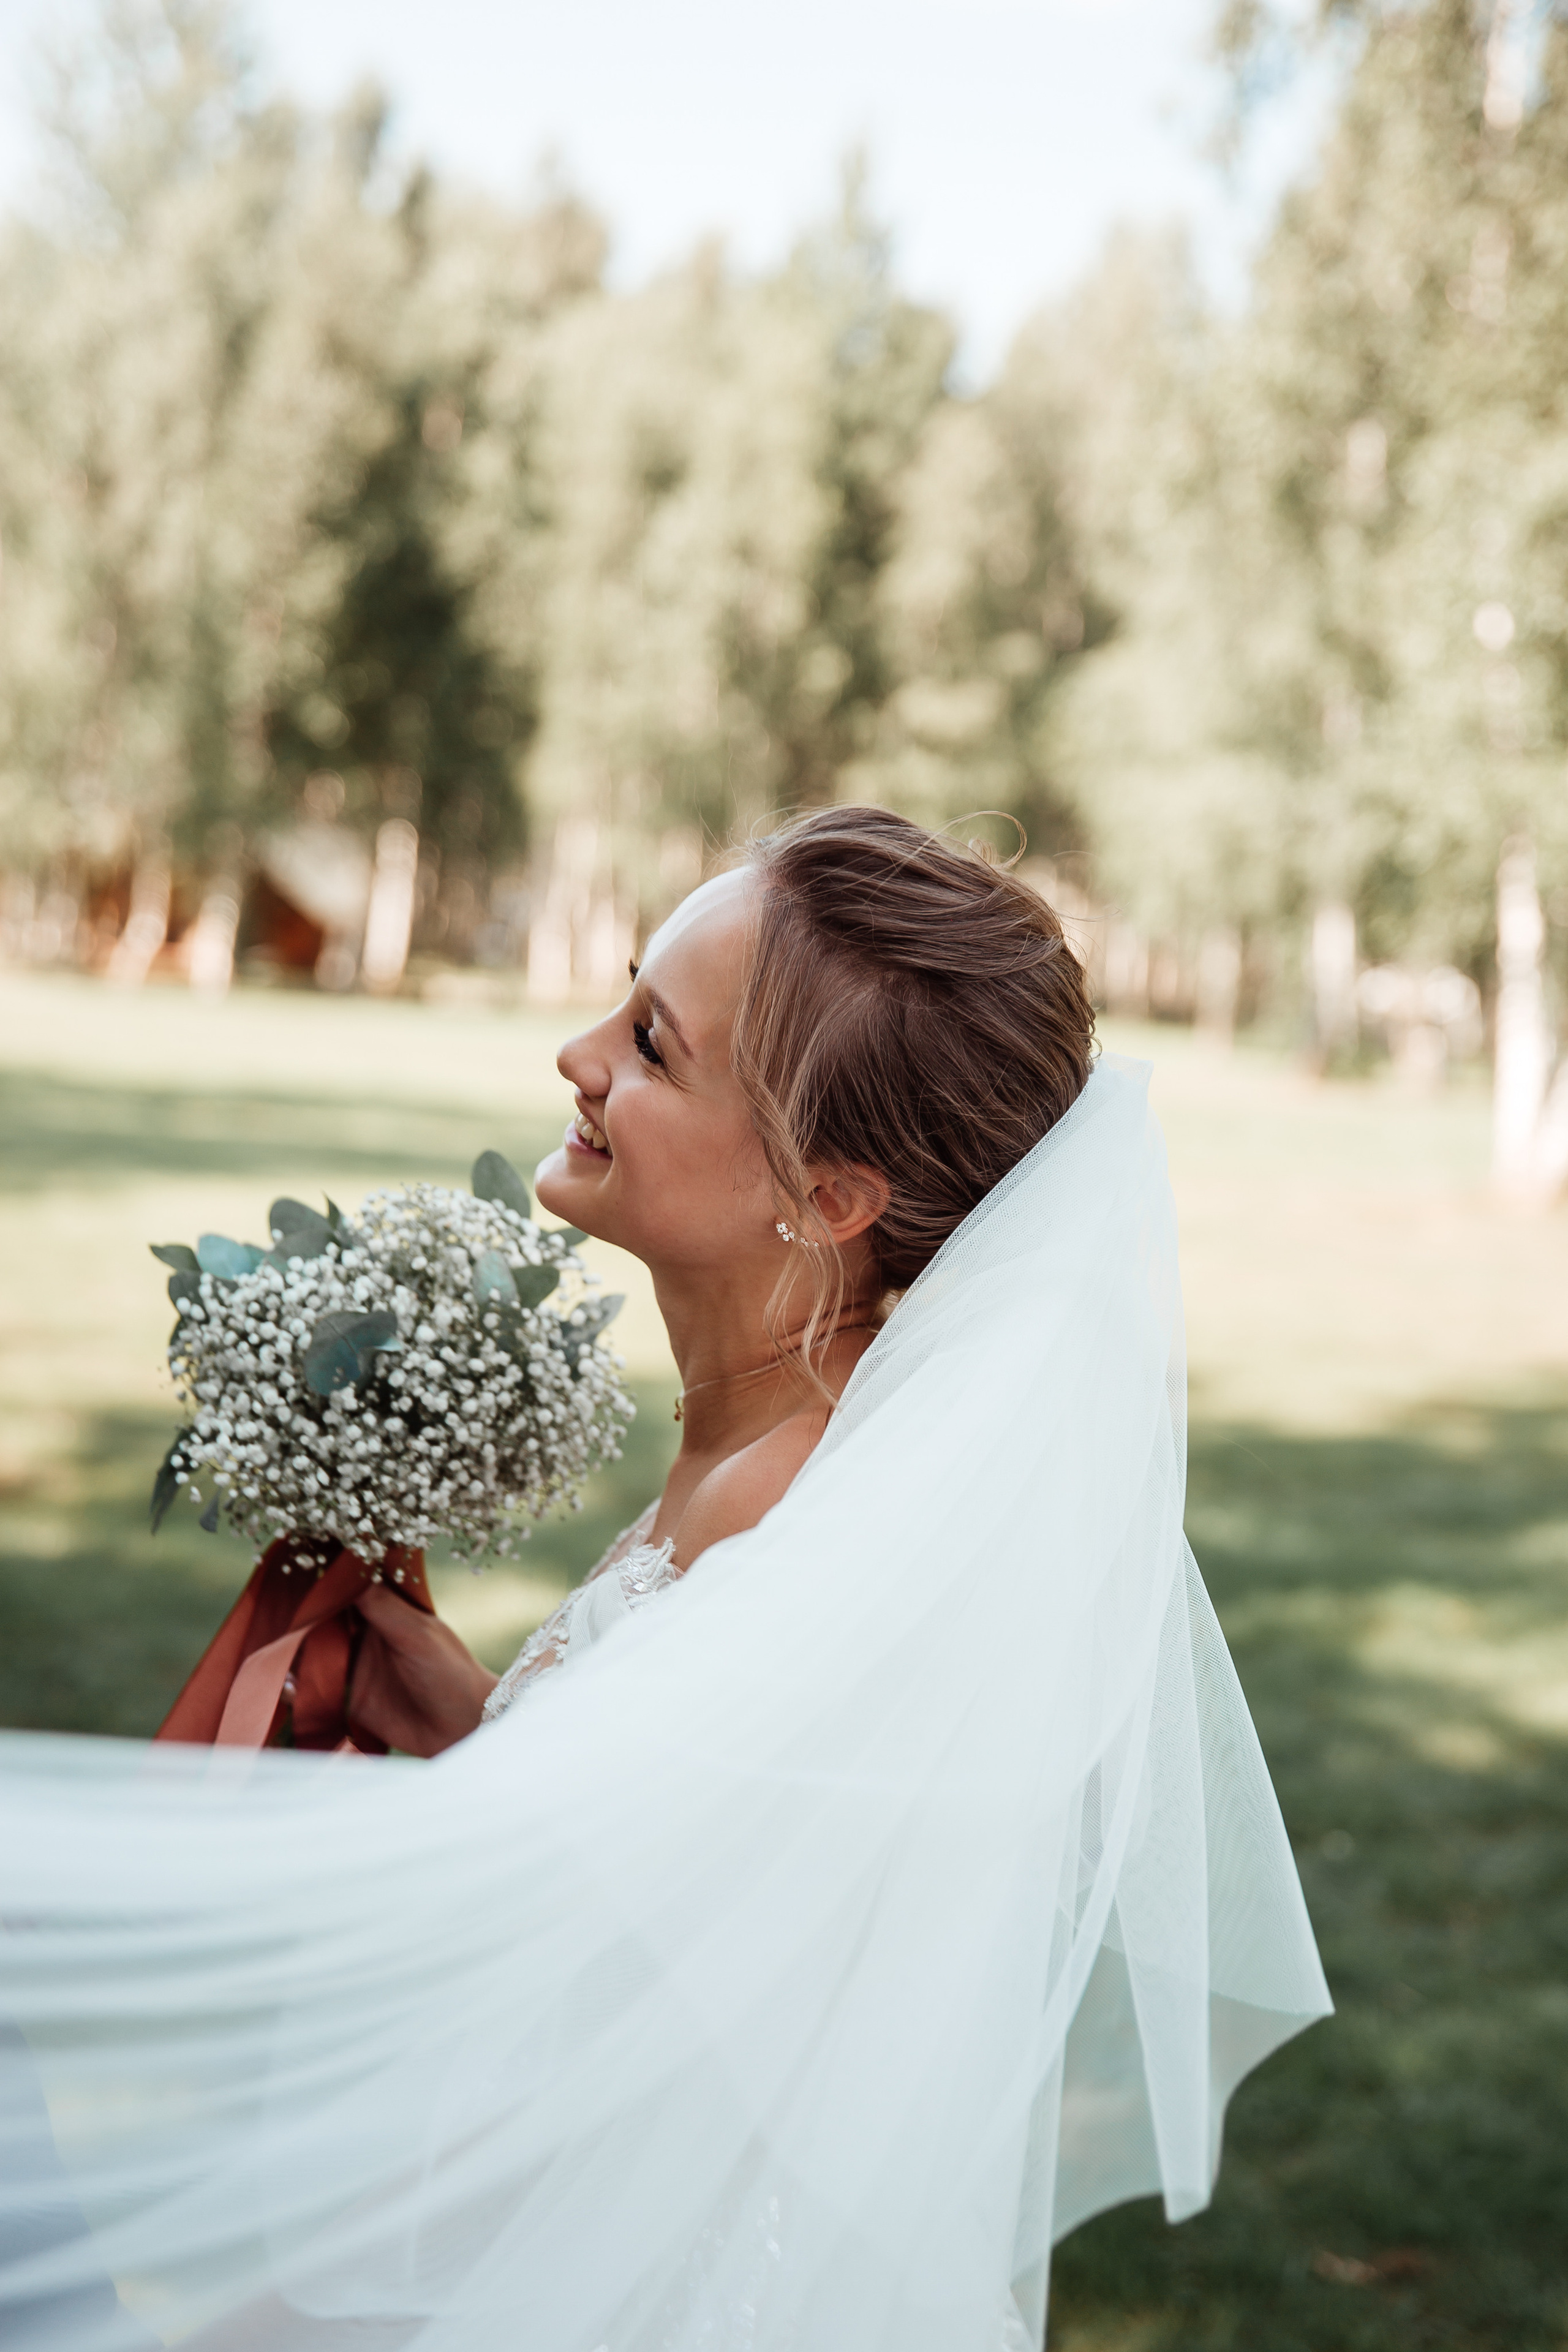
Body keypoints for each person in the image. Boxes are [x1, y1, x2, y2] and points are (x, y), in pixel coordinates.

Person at [0, 809, 1330, 2352]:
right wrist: (490, 1729)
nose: (577, 1054)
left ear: (831, 1197)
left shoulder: (811, 1539)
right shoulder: (770, 1464)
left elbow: (601, 2006)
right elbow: (679, 1929)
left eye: (649, 1042)